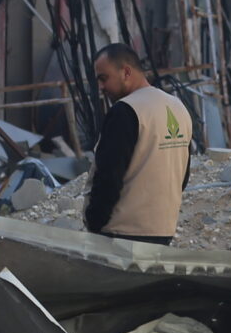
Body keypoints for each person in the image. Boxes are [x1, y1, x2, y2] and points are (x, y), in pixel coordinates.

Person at [83, 44, 194, 243]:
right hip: (163, 231)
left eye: (104, 78)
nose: (101, 87)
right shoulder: (178, 107)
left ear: (126, 72)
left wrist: (94, 222)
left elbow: (109, 177)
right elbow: (183, 175)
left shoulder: (125, 111)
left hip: (122, 234)